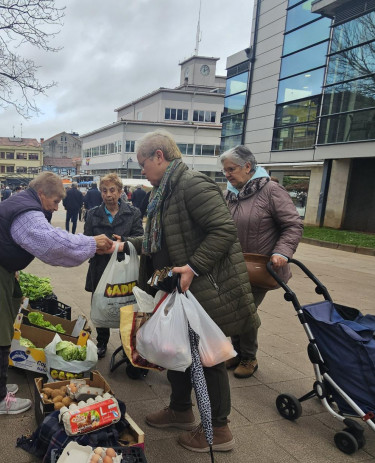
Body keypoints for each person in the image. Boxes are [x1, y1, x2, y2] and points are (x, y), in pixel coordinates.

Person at [116, 130, 258, 453]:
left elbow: (224, 231)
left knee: (209, 358)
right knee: (176, 350)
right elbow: (159, 240)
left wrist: (193, 266)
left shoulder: (191, 185)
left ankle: (219, 430)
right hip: (175, 289)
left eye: (143, 164)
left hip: (204, 289)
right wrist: (124, 244)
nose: (142, 171)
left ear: (159, 157)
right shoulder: (162, 191)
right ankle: (180, 409)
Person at [0, 172, 114, 417]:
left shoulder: (20, 202)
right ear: (41, 194)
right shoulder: (29, 212)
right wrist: (90, 243)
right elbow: (52, 244)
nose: (57, 206)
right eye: (55, 201)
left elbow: (1, 235)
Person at [221, 146, 303, 379]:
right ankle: (237, 352)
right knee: (234, 309)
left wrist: (282, 252)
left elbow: (293, 225)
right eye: (224, 170)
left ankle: (249, 356)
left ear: (248, 167)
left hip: (261, 266)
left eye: (231, 169)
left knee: (245, 310)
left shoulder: (271, 190)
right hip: (234, 265)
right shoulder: (231, 194)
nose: (227, 174)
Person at [83, 173, 143, 358]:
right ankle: (102, 342)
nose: (108, 195)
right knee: (101, 303)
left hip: (124, 268)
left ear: (120, 191)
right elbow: (86, 240)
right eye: (104, 191)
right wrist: (94, 247)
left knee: (125, 304)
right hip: (100, 267)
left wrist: (123, 241)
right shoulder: (93, 214)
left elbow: (140, 238)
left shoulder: (132, 213)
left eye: (112, 190)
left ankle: (127, 343)